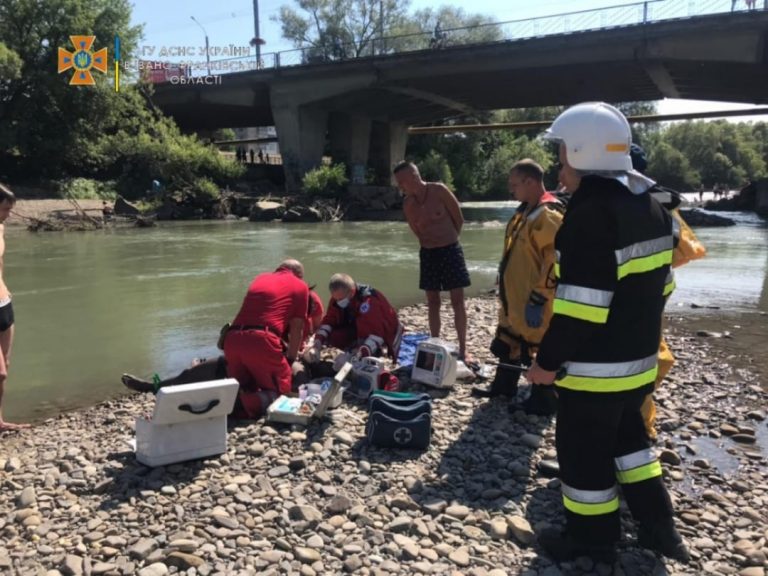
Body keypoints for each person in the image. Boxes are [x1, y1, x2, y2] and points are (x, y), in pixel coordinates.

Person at [526, 102, 690, 564]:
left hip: (595, 372)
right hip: (637, 365)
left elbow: (581, 311)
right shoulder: (651, 205)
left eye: (562, 154)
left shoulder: (590, 215)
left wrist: (546, 364)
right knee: (632, 446)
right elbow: (663, 288)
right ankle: (659, 529)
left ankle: (592, 541)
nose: (559, 165)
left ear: (581, 152)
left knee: (583, 458)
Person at [472, 160, 564, 417]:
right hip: (513, 297)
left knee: (543, 345)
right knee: (507, 340)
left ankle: (544, 401)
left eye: (514, 184)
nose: (510, 189)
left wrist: (539, 296)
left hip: (535, 299)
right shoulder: (525, 211)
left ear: (530, 182)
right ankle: (504, 387)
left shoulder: (548, 215)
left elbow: (554, 260)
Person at [629, 144, 707, 440]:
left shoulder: (642, 199)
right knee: (645, 352)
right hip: (656, 286)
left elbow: (674, 198)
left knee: (640, 357)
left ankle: (640, 425)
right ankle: (640, 423)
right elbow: (674, 200)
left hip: (644, 291)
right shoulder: (654, 199)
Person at [122, 283, 324, 395]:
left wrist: (301, 352)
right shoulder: (273, 310)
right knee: (202, 369)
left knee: (298, 376)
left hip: (286, 358)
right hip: (263, 351)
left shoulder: (306, 311)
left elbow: (311, 336)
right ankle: (154, 386)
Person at [393, 161, 473, 363]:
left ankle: (464, 348)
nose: (400, 186)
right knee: (433, 302)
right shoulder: (408, 204)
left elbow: (459, 219)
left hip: (450, 250)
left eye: (402, 181)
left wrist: (447, 239)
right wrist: (431, 243)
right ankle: (435, 342)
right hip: (428, 254)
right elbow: (416, 230)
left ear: (414, 175)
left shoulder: (439, 191)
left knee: (457, 301)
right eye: (398, 183)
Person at [306, 273, 403, 364]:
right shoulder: (338, 298)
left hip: (385, 331)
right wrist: (317, 343)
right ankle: (354, 348)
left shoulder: (369, 302)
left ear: (352, 292)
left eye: (340, 299)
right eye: (336, 299)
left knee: (364, 345)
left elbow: (376, 335)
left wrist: (354, 357)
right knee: (334, 336)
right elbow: (329, 321)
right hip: (358, 326)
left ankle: (372, 352)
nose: (338, 302)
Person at [0, 184, 29, 431]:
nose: (8, 214)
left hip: (4, 303)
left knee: (5, 366)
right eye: (5, 209)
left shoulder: (0, 228)